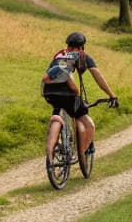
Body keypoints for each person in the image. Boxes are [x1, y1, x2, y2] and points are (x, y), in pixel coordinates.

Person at [42, 31, 118, 167]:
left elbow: (54, 72)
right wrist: (111, 95)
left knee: (59, 112)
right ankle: (80, 153)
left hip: (48, 92)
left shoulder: (59, 54)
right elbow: (98, 77)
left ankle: (53, 150)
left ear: (67, 45)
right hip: (67, 94)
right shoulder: (81, 55)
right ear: (82, 47)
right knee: (86, 121)